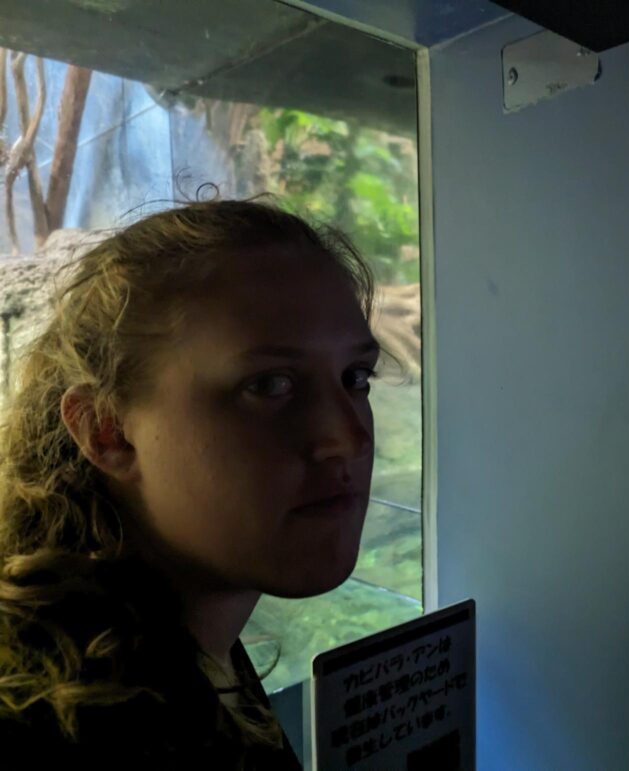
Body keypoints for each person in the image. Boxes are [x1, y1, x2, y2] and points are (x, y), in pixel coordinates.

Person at [0, 197, 380, 769]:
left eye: (356, 376)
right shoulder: (46, 731)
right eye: (270, 385)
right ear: (108, 431)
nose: (348, 438)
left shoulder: (184, 646)